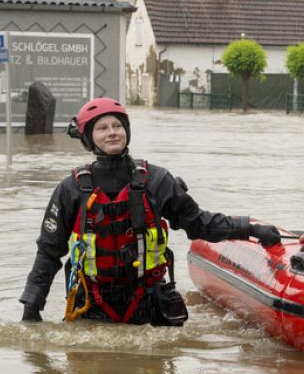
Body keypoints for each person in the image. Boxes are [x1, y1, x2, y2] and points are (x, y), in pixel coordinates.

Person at [19, 97, 281, 324]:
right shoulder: (70, 189)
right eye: (102, 128)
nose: (112, 132)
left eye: (117, 126)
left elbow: (198, 223)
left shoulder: (156, 180)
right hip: (92, 303)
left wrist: (250, 228)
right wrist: (32, 306)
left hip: (147, 300)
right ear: (89, 137)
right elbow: (48, 252)